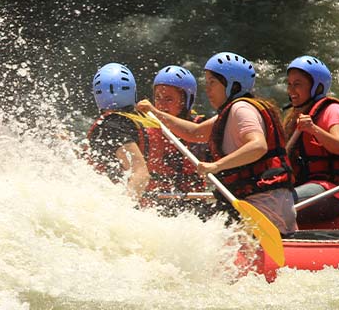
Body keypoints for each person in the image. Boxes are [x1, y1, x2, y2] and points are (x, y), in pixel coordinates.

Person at [137, 52, 297, 236]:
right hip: (261, 200)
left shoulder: (241, 109)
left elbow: (258, 146)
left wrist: (217, 165)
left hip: (264, 202)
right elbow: (194, 133)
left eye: (212, 82)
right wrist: (155, 112)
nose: (207, 89)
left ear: (232, 85)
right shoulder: (231, 112)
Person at [283, 56, 339, 223]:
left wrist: (313, 129)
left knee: (277, 205)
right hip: (302, 186)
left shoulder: (333, 110)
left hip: (329, 192)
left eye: (297, 84)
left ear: (317, 87)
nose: (291, 90)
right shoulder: (295, 116)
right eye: (289, 84)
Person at [135, 65, 212, 217]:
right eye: (157, 98)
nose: (161, 105)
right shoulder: (145, 129)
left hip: (192, 205)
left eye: (169, 99)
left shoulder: (202, 127)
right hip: (154, 204)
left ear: (186, 102)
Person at [86, 63, 154, 201]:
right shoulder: (140, 118)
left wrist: (125, 208)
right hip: (156, 201)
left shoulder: (110, 127)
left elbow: (141, 174)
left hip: (127, 202)